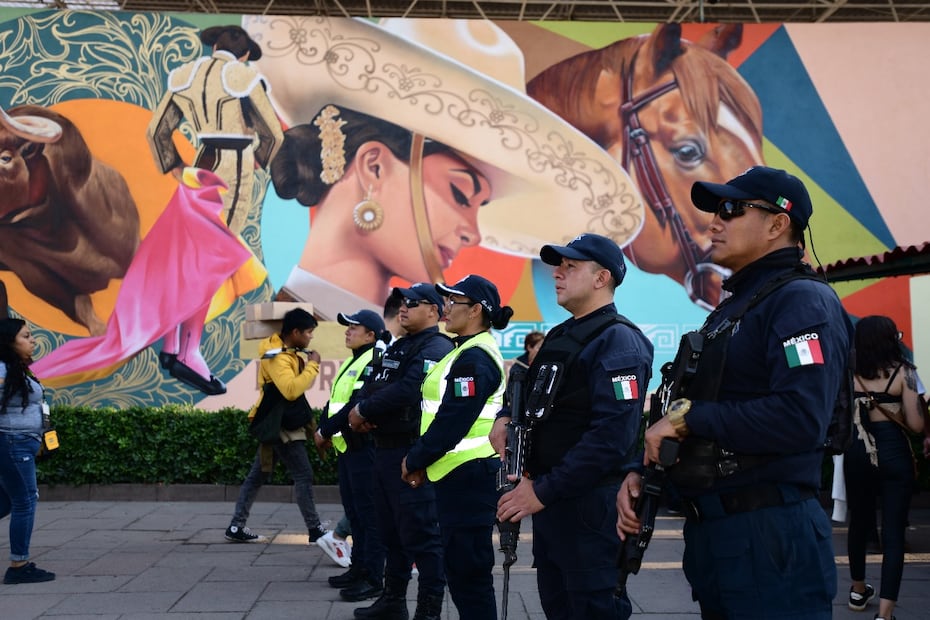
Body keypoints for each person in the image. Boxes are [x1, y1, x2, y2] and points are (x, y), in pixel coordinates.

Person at [246, 16, 642, 320]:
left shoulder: (410, 335)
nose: (473, 233)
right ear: (374, 166)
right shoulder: (281, 325)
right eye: (459, 192)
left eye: (478, 206)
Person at [617, 166, 850, 619]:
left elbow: (800, 418)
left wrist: (688, 420)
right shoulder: (736, 306)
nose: (714, 222)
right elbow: (692, 398)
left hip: (768, 535)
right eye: (716, 210)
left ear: (778, 224)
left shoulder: (801, 302)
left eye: (732, 209)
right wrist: (640, 472)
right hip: (720, 535)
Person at [493, 234, 654, 619]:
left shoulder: (619, 341)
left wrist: (543, 491)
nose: (557, 274)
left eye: (570, 266)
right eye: (557, 266)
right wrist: (503, 417)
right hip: (554, 504)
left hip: (589, 507)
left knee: (592, 607)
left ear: (601, 278)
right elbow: (530, 391)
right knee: (559, 605)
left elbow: (611, 439)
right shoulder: (563, 335)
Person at [402, 275, 514, 619]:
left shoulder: (474, 358)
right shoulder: (464, 351)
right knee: (464, 572)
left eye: (453, 302)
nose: (445, 309)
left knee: (470, 576)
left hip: (469, 477)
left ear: (476, 310)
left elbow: (453, 420)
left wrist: (416, 459)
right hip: (459, 474)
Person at [346, 283, 453, 620]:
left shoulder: (436, 345)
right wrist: (367, 407)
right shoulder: (402, 345)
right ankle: (393, 601)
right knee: (391, 531)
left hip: (411, 453)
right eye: (403, 303)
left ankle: (429, 610)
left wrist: (364, 411)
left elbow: (408, 389)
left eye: (414, 303)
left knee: (421, 536)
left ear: (434, 311)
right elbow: (376, 384)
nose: (404, 308)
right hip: (384, 451)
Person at [225, 308, 327, 545]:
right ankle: (315, 530)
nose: (311, 337)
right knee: (303, 474)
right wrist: (312, 366)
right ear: (295, 332)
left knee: (258, 474)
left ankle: (236, 525)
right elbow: (291, 390)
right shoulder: (278, 357)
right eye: (309, 332)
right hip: (282, 424)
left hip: (278, 420)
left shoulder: (285, 352)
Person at [845, 316, 924, 620]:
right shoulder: (909, 372)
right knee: (892, 533)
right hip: (894, 455)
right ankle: (885, 614)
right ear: (891, 339)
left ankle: (857, 589)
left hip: (857, 454)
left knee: (859, 523)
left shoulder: (847, 373)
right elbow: (917, 425)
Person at [315, 309, 387, 602]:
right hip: (349, 450)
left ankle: (373, 576)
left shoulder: (374, 360)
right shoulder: (354, 359)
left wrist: (325, 432)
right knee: (355, 514)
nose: (347, 331)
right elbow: (336, 401)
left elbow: (355, 405)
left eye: (353, 327)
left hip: (364, 449)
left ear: (370, 334)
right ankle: (358, 569)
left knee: (369, 516)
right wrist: (323, 426)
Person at [0, 319, 55, 584]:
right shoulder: (2, 370)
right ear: (10, 341)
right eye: (26, 335)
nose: (33, 340)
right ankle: (18, 566)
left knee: (7, 501)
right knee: (25, 501)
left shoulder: (15, 369)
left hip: (19, 443)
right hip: (13, 444)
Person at [504, 330, 544, 407]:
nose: (542, 351)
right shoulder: (517, 367)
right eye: (539, 347)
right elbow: (510, 392)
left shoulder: (546, 366)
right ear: (529, 347)